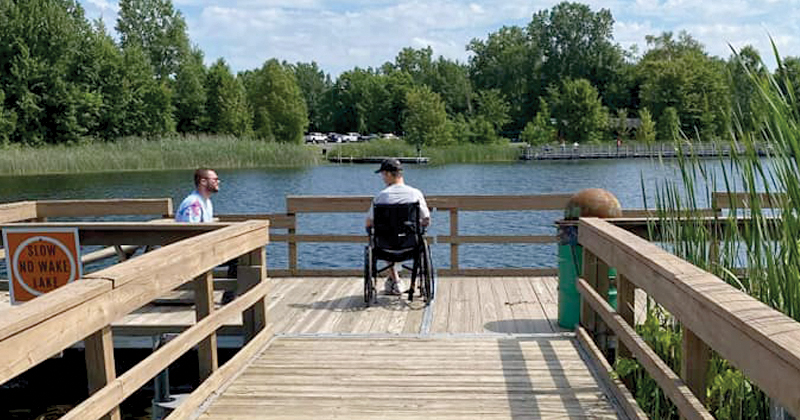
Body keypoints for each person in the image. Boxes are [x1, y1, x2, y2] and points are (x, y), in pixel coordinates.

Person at [366, 158, 431, 295]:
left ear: (389, 174)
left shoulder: (381, 197)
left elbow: (369, 223)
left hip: (386, 246)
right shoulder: (415, 194)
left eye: (383, 174)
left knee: (381, 236)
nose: (382, 178)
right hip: (410, 244)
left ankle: (395, 280)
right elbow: (426, 219)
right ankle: (398, 281)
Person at [175, 168, 236, 302]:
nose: (218, 182)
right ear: (203, 182)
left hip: (204, 248)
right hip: (193, 253)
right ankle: (229, 299)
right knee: (238, 257)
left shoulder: (206, 201)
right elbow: (189, 234)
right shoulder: (193, 204)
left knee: (239, 252)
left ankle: (230, 297)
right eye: (214, 179)